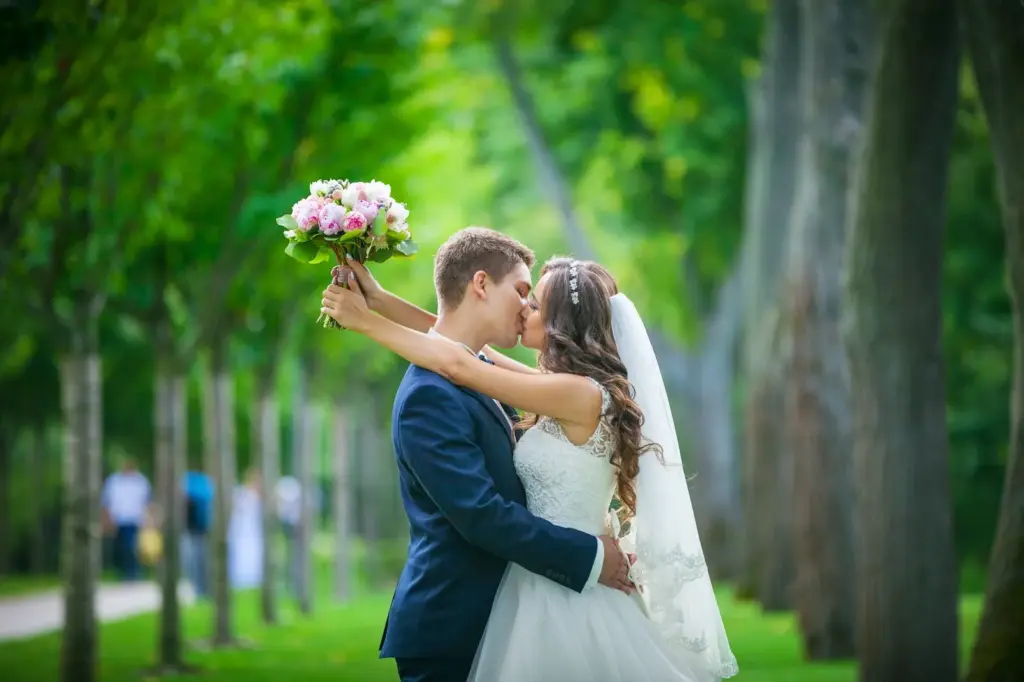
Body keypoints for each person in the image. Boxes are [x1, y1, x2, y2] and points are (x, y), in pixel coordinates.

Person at [321, 231, 739, 682]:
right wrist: (381, 301)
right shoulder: (556, 388)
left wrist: (366, 323)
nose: (524, 309)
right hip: (521, 590)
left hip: (564, 584)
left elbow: (461, 364)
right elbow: (465, 352)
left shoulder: (576, 393)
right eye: (523, 295)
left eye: (534, 303)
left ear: (561, 323)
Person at [101, 458, 151, 582]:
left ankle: (133, 571)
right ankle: (123, 571)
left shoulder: (141, 481)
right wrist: (107, 519)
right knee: (120, 547)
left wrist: (148, 520)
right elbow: (107, 501)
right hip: (118, 519)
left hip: (135, 519)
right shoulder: (114, 481)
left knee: (132, 546)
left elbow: (147, 502)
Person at [228, 468, 264, 589]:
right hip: (243, 531)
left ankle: (253, 580)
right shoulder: (243, 493)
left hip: (254, 531)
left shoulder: (257, 496)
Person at [182, 469, 214, 598]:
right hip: (201, 532)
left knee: (194, 562)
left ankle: (200, 589)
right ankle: (202, 589)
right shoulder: (204, 489)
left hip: (194, 533)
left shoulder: (189, 491)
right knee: (201, 562)